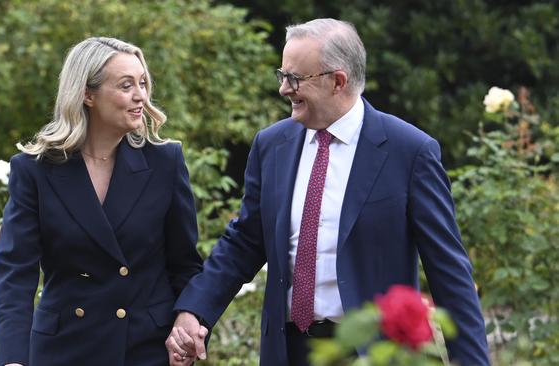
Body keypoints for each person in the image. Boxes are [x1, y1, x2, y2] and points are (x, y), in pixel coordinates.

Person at [165, 19, 489, 366]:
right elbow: (245, 241)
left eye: (295, 78)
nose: (284, 89)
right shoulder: (271, 145)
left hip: (373, 353)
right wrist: (195, 310)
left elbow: (448, 272)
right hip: (288, 352)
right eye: (282, 75)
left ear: (338, 81)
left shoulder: (409, 151)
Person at [0, 37, 203, 366]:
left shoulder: (165, 161)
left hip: (146, 350)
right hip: (63, 350)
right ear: (87, 94)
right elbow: (15, 276)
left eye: (143, 83)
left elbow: (185, 265)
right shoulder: (34, 170)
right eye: (125, 85)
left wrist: (187, 326)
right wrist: (13, 359)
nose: (141, 96)